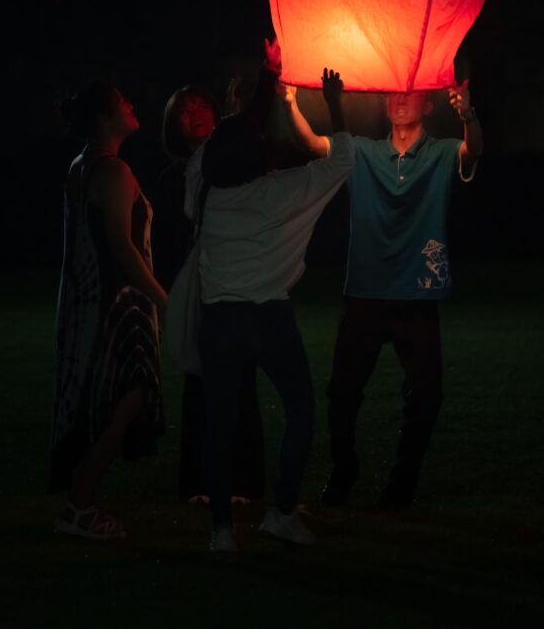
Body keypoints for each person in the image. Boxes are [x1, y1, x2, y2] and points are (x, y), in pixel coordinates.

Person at [187, 51, 353, 552]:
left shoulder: (204, 192)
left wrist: (245, 104)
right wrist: (334, 105)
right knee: (300, 408)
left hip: (219, 320)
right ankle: (281, 512)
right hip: (269, 318)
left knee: (219, 425)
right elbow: (343, 160)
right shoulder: (284, 190)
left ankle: (221, 531)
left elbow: (212, 152)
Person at [320, 75, 482, 509]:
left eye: (409, 92)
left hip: (417, 296)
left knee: (427, 396)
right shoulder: (365, 152)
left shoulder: (443, 151)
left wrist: (468, 114)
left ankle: (402, 482)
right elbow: (315, 144)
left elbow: (473, 151)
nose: (398, 99)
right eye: (392, 92)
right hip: (366, 294)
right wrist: (290, 102)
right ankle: (343, 469)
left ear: (428, 105)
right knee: (342, 392)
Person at [49, 82, 168, 540]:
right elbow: (121, 247)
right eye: (123, 103)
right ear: (104, 119)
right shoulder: (114, 173)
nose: (133, 105)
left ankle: (79, 501)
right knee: (125, 401)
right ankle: (81, 507)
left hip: (88, 302)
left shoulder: (81, 166)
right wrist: (163, 299)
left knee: (100, 403)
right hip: (119, 309)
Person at [153, 82, 266, 506]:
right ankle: (198, 483)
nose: (195, 114)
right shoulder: (171, 180)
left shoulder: (231, 166)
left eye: (202, 105)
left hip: (235, 285)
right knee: (198, 386)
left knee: (241, 383)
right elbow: (166, 243)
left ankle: (245, 483)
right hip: (194, 290)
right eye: (184, 110)